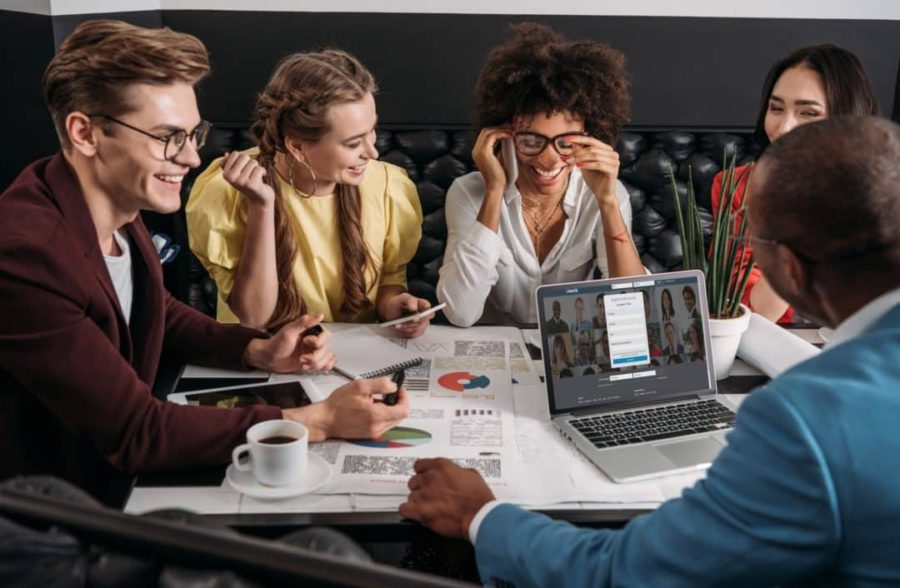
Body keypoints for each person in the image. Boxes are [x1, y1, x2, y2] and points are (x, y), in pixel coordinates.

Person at [400, 116, 900, 586]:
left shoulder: (802, 419)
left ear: (787, 267)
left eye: (754, 234)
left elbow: (623, 574)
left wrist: (479, 515)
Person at [0, 20, 408, 502]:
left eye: (194, 135)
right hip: (61, 512)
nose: (192, 158)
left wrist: (255, 350)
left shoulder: (114, 205)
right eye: (169, 137)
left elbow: (158, 313)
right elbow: (137, 431)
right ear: (85, 133)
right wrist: (317, 420)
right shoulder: (25, 254)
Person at [186, 50, 430, 337]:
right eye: (353, 143)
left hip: (352, 359)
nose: (372, 152)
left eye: (372, 131)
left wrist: (394, 305)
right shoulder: (225, 192)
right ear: (298, 147)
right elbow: (253, 317)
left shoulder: (389, 186)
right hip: (263, 355)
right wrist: (262, 206)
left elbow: (389, 279)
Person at [436, 23, 644, 327]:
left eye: (567, 142)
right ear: (504, 136)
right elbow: (460, 313)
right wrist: (494, 191)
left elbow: (633, 311)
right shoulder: (468, 193)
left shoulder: (606, 195)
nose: (549, 159)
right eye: (531, 141)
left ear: (591, 136)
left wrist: (608, 202)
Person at [711, 44, 880, 324]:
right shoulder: (738, 186)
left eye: (808, 113)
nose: (783, 128)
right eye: (776, 108)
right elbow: (757, 312)